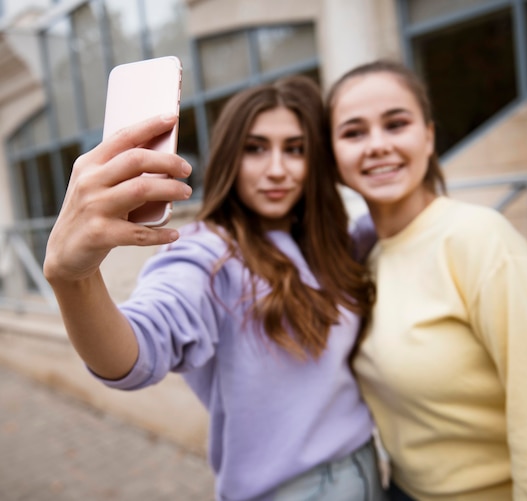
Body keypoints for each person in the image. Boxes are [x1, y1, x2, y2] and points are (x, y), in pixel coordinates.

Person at [43, 75, 388, 501]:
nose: (277, 169)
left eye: (295, 149)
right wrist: (73, 279)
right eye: (255, 148)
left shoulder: (334, 244)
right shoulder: (208, 253)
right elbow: (137, 350)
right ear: (229, 156)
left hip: (371, 467)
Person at [326, 59, 527, 501]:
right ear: (333, 154)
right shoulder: (364, 256)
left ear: (429, 136)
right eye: (354, 132)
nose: (377, 145)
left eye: (396, 124)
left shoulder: (480, 240)